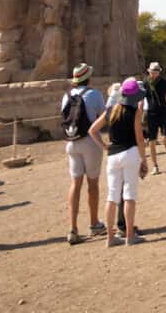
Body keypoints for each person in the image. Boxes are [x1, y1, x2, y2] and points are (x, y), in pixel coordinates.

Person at [88, 78, 148, 247]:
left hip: (113, 156)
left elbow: (92, 130)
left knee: (112, 196)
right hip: (130, 153)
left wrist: (104, 147)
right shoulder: (135, 111)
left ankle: (110, 237)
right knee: (129, 195)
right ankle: (129, 235)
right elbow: (139, 138)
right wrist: (143, 160)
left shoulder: (110, 110)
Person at [61, 63, 107, 245]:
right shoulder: (94, 94)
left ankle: (72, 228)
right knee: (92, 184)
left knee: (75, 183)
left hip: (72, 142)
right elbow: (104, 116)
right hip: (90, 142)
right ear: (88, 78)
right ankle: (94, 223)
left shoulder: (66, 96)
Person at [142, 62, 166, 174]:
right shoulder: (145, 83)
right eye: (153, 71)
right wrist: (140, 114)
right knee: (152, 141)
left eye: (156, 71)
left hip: (163, 113)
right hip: (151, 114)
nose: (154, 73)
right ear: (149, 71)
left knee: (165, 138)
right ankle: (155, 166)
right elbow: (142, 100)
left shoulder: (164, 82)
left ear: (159, 72)